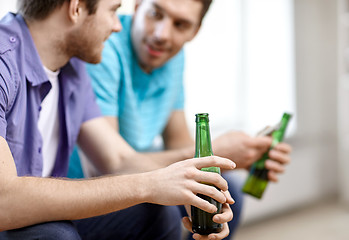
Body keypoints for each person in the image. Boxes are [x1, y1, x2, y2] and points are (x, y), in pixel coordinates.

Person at [0, 0, 236, 239]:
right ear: (76, 8)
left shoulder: (71, 69)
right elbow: (3, 200)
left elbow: (118, 159)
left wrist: (189, 186)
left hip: (38, 216)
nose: (117, 26)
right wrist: (148, 185)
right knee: (55, 235)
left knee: (155, 212)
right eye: (113, 11)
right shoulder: (3, 64)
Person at [68, 0, 293, 239]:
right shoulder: (104, 48)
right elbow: (109, 167)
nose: (162, 34)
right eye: (155, 14)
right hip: (93, 187)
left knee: (226, 188)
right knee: (158, 211)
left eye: (181, 24)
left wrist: (238, 157)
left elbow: (179, 144)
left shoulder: (170, 56)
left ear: (195, 31)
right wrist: (216, 153)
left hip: (140, 169)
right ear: (136, 6)